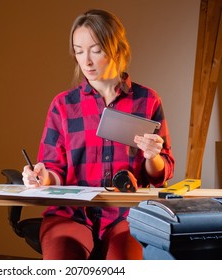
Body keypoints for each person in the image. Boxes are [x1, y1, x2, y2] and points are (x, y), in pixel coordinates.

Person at [22, 9, 175, 260]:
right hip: (71, 215)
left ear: (116, 49)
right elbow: (52, 169)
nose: (87, 61)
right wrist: (41, 177)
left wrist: (152, 156)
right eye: (79, 51)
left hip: (128, 215)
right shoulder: (63, 105)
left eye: (95, 50)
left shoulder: (147, 101)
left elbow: (162, 173)